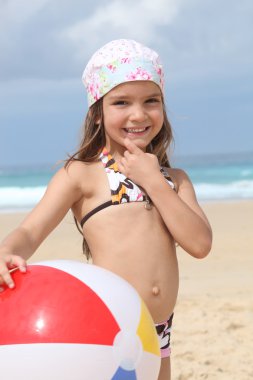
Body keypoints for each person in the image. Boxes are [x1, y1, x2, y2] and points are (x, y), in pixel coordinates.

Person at [0, 39, 212, 380]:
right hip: (109, 323)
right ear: (97, 112)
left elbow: (200, 244)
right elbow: (30, 230)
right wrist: (7, 250)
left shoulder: (175, 180)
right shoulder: (82, 174)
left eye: (151, 101)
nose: (139, 114)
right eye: (121, 102)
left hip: (159, 329)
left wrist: (154, 181)